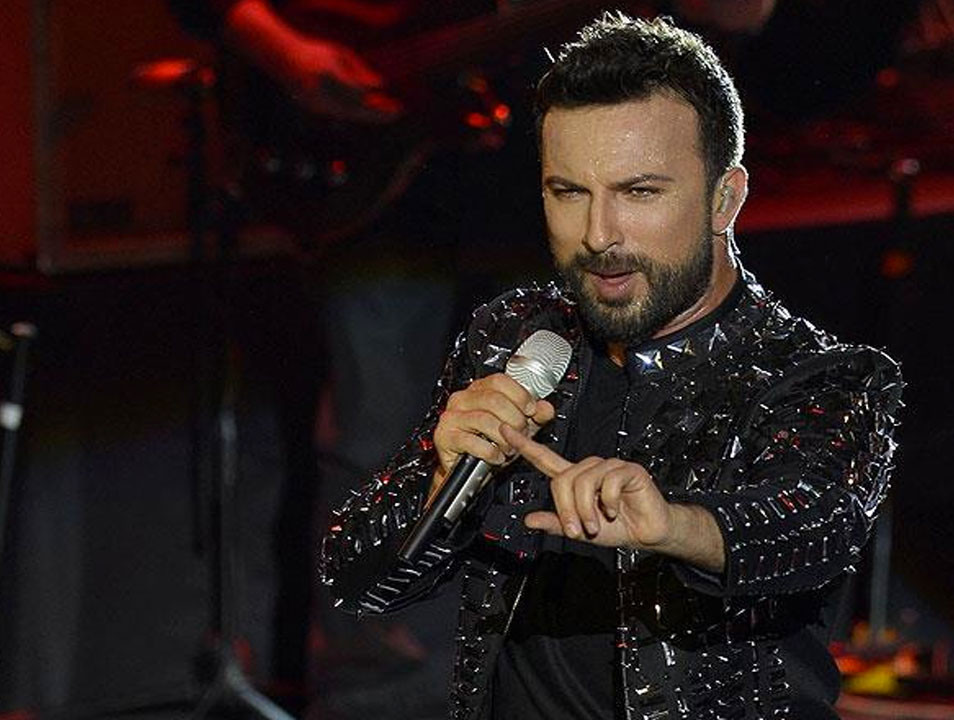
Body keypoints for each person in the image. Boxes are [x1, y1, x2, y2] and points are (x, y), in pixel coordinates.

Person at [169, 2, 776, 717]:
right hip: (387, 191)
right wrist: (287, 51)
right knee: (380, 441)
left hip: (543, 193)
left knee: (576, 439)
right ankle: (377, 695)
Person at [320, 12, 903, 719]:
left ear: (725, 198)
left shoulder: (824, 376)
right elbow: (356, 583)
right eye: (569, 192)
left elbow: (811, 528)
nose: (599, 235)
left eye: (639, 192)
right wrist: (440, 484)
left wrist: (676, 526)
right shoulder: (518, 336)